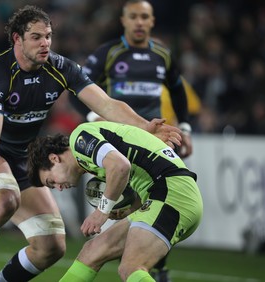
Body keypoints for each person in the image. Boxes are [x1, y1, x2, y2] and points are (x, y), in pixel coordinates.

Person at [0, 5, 183, 282]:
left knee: (51, 245)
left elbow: (105, 104)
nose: (45, 43)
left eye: (48, 36)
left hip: (22, 157)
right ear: (17, 40)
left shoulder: (61, 68)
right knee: (5, 200)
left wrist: (145, 126)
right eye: (36, 37)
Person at [68, 1, 194, 280]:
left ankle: (152, 267)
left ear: (152, 21)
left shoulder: (163, 53)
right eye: (134, 17)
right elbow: (77, 88)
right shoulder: (108, 53)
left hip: (155, 137)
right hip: (120, 139)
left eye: (144, 17)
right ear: (123, 21)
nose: (139, 22)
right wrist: (94, 119)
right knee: (130, 198)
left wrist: (184, 127)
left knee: (157, 200)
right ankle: (134, 261)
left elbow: (177, 89)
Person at [27, 121, 203, 282]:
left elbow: (121, 166)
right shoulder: (94, 162)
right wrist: (126, 210)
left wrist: (101, 212)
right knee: (92, 252)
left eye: (51, 182)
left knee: (130, 268)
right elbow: (135, 182)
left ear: (54, 159)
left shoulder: (79, 138)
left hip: (173, 194)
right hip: (166, 195)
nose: (58, 187)